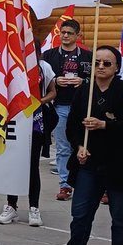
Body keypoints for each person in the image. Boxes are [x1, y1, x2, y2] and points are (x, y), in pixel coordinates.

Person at [43, 46, 123, 245]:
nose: (101, 66)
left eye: (106, 63)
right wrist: (79, 146)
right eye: (97, 62)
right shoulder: (85, 91)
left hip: (118, 165)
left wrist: (105, 125)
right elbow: (72, 126)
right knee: (80, 214)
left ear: (116, 67)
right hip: (89, 163)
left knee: (120, 217)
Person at [0, 54, 57, 227]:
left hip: (35, 123)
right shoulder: (9, 65)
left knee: (32, 166)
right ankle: (11, 206)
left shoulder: (43, 66)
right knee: (13, 164)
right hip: (14, 122)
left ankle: (34, 208)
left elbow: (53, 91)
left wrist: (39, 102)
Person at [42, 19, 93, 201]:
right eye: (63, 32)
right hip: (60, 106)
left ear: (77, 36)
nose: (65, 36)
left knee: (84, 145)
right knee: (63, 148)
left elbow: (97, 79)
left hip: (84, 107)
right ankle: (65, 185)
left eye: (69, 33)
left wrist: (83, 81)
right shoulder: (48, 55)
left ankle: (88, 182)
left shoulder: (88, 56)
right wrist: (55, 81)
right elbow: (41, 78)